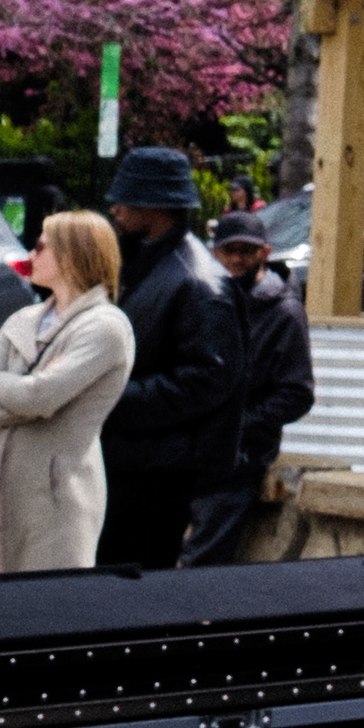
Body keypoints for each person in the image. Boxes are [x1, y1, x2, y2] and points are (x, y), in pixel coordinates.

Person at [0, 211, 137, 574]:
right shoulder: (23, 319)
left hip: (58, 503)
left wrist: (0, 382)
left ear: (72, 255)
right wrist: (27, 388)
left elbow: (39, 398)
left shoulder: (106, 327)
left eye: (41, 245)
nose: (31, 254)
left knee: (44, 612)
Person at [93, 145, 239, 568]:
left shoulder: (199, 282)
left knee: (134, 583)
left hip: (159, 472)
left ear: (156, 207)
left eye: (126, 198)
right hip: (133, 458)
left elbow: (207, 380)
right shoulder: (147, 262)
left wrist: (113, 398)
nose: (114, 208)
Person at [180, 212, 316, 564]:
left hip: (240, 457)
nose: (238, 259)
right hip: (192, 449)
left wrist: (240, 426)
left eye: (247, 251)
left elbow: (297, 393)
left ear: (265, 252)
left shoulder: (285, 312)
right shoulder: (207, 298)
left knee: (202, 562)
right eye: (230, 251)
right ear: (214, 253)